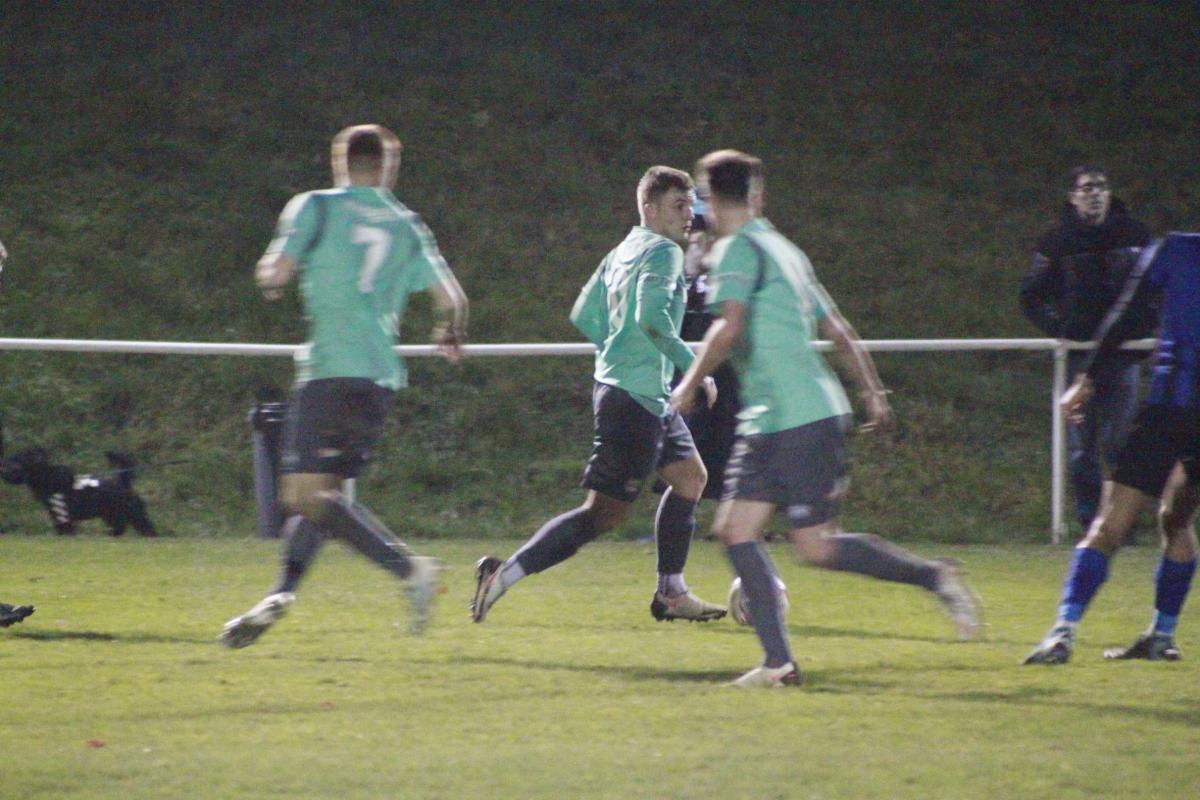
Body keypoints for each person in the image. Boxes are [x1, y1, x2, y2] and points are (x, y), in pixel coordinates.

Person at [671, 150, 982, 688]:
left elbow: (728, 328)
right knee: (740, 531)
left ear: (711, 197)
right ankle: (779, 664)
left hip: (798, 417)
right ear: (755, 195)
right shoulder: (785, 250)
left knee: (810, 543)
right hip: (779, 416)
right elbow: (837, 328)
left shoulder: (738, 250)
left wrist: (689, 382)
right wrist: (871, 391)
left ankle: (933, 576)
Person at [220, 124, 469, 648]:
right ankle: (281, 593)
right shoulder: (407, 223)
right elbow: (452, 301)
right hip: (378, 379)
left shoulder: (316, 206)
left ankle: (410, 569)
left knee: (302, 495)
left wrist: (270, 276)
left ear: (340, 162)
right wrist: (447, 332)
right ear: (388, 167)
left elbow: (276, 274)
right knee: (324, 497)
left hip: (330, 370)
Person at [471, 166, 726, 624]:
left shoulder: (623, 250)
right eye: (678, 205)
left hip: (640, 395)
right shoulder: (664, 252)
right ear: (649, 208)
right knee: (601, 516)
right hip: (633, 400)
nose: (689, 215)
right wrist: (693, 369)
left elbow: (585, 313)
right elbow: (652, 320)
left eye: (690, 205)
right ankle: (503, 574)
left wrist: (619, 351)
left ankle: (671, 592)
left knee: (690, 479)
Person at [1024, 232, 1200, 665]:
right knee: (1177, 519)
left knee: (1110, 525)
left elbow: (1126, 317)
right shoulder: (1174, 251)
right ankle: (1161, 635)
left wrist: (1086, 379)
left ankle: (1063, 632)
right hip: (1177, 412)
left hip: (1168, 413)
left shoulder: (1173, 250)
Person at [1020, 166, 1153, 530]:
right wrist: (1061, 329)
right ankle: (1089, 523)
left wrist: (1142, 326)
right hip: (1078, 358)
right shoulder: (1057, 242)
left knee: (1120, 445)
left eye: (1101, 186)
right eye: (1087, 187)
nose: (1095, 193)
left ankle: (1122, 525)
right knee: (1081, 451)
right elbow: (1030, 296)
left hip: (1122, 357)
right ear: (1073, 197)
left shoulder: (1135, 235)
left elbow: (1156, 288)